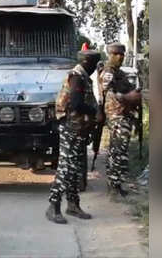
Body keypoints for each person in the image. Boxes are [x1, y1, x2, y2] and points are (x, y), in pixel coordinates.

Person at [46, 50, 101, 224]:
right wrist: (95, 112)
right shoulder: (77, 76)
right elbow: (76, 104)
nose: (95, 68)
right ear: (87, 62)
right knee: (66, 167)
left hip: (78, 128)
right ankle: (53, 206)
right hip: (70, 127)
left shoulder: (82, 76)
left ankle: (73, 205)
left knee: (75, 168)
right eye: (94, 64)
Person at [98, 42, 141, 198]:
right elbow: (108, 93)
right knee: (118, 151)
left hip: (124, 114)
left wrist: (135, 94)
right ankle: (114, 186)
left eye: (122, 54)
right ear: (111, 55)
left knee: (118, 151)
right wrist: (128, 97)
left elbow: (128, 88)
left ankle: (115, 183)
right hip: (116, 115)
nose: (121, 57)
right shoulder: (108, 72)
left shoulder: (120, 73)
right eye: (117, 54)